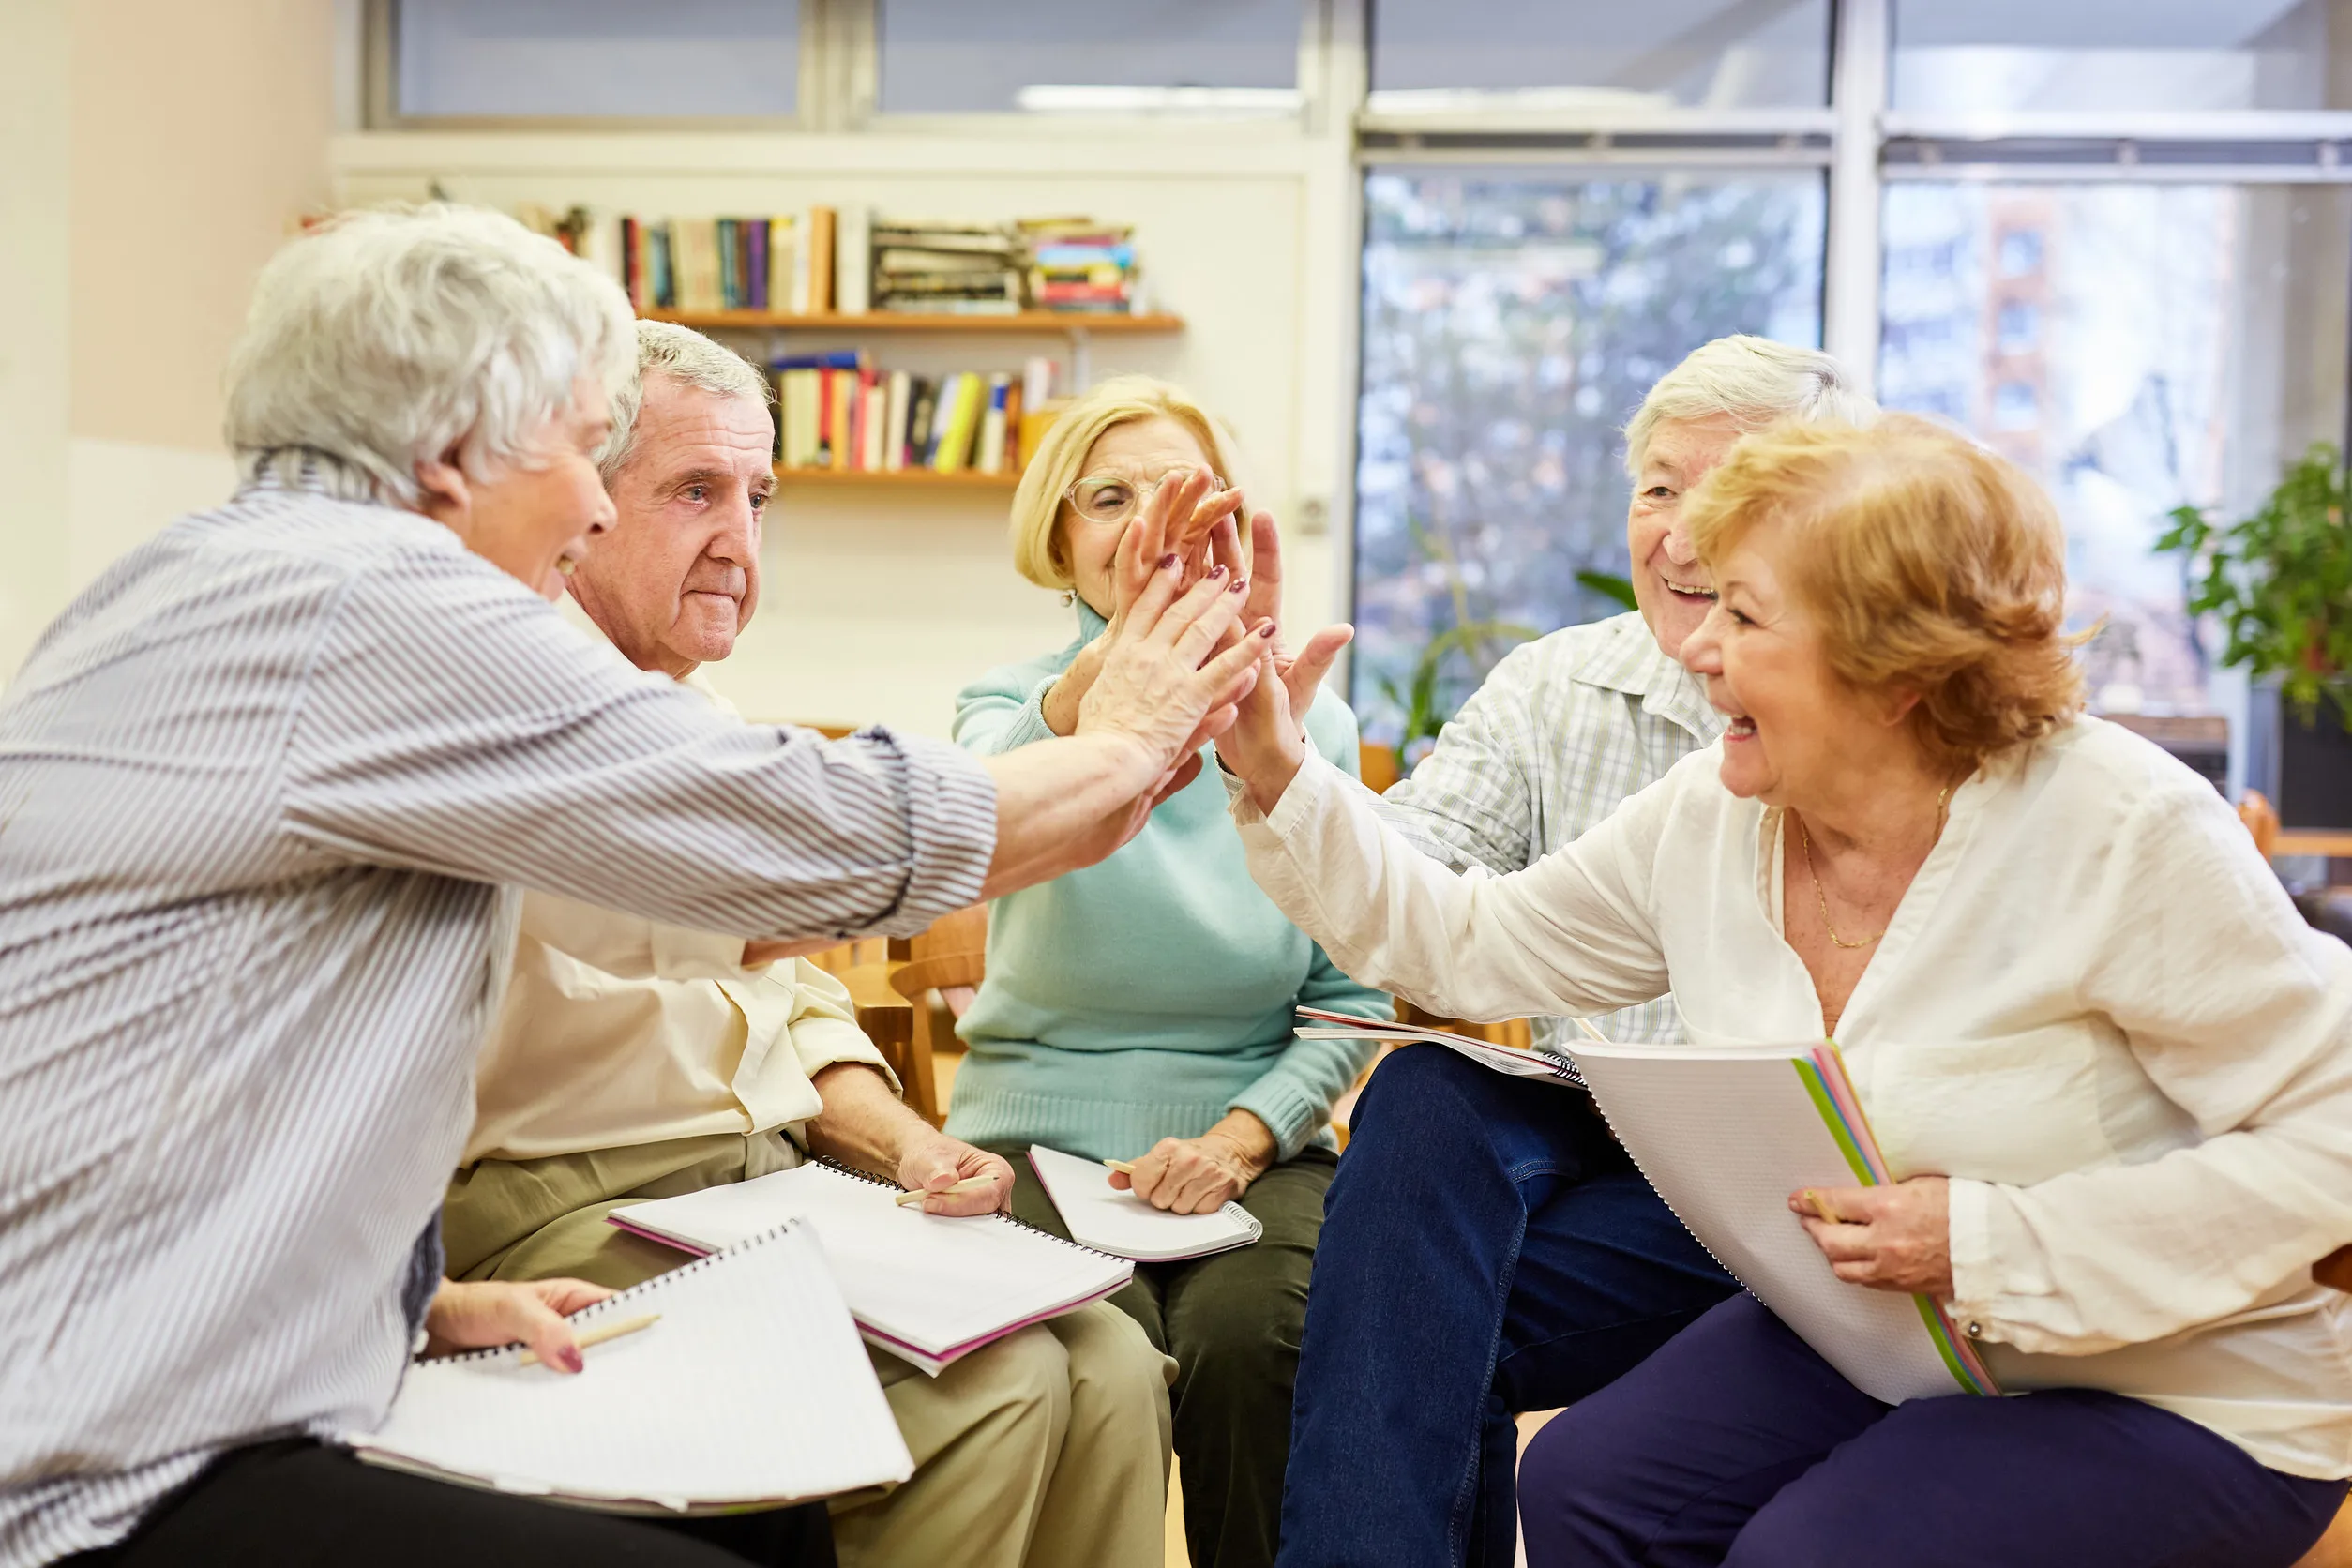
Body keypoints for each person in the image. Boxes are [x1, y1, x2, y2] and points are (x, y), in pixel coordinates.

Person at [0, 205, 1269, 1568]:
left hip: (177, 1377)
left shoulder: (205, 583)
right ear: (451, 450)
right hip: (110, 1459)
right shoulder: (378, 613)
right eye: (575, 446)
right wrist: (1125, 736)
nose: (594, 502)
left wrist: (400, 1305)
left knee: (1083, 1371)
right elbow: (829, 846)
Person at [1217, 414, 2352, 1568]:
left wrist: (1992, 1238)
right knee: (1585, 1482)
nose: (1697, 647)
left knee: (1807, 1551)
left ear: (1895, 670)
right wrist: (1277, 769)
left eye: (1745, 615)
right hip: (1889, 1339)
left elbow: (2335, 1135)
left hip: (2181, 1383)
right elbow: (1463, 942)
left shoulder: (2121, 827)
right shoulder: (1716, 814)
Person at [445, 320, 1172, 1568]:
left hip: (755, 1189)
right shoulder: (524, 700)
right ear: (579, 503)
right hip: (567, 1207)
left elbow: (778, 984)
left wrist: (905, 1143)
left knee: (1111, 1362)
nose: (741, 540)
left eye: (760, 496)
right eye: (693, 491)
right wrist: (1116, 739)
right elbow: (817, 889)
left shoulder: (691, 704)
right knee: (993, 1395)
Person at [1275, 336, 1876, 1568]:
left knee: (1418, 1334)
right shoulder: (1552, 688)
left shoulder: (1875, 734)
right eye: (1659, 489)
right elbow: (1433, 892)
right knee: (1434, 1091)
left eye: (1732, 493)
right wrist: (1284, 775)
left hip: (1776, 1179)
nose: (1683, 534)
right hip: (1579, 1120)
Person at [947, 376, 1393, 1568]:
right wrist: (1112, 688)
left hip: (1249, 1138)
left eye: (1179, 496)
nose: (1147, 525)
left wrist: (1243, 1139)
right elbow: (986, 800)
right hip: (1033, 1139)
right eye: (1110, 498)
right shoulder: (1007, 709)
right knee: (1105, 1360)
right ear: (1059, 540)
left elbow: (1353, 999)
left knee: (1260, 1349)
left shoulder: (1304, 723)